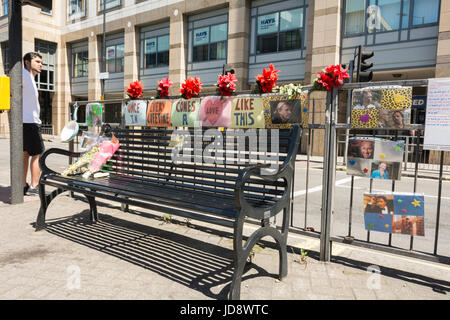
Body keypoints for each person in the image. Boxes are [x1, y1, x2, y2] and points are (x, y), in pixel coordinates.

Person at [22, 52, 44, 196]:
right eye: (37, 61)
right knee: (38, 154)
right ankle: (34, 186)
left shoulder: (29, 77)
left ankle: (22, 186)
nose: (40, 64)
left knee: (24, 155)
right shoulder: (24, 75)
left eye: (41, 62)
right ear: (27, 62)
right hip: (30, 123)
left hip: (24, 123)